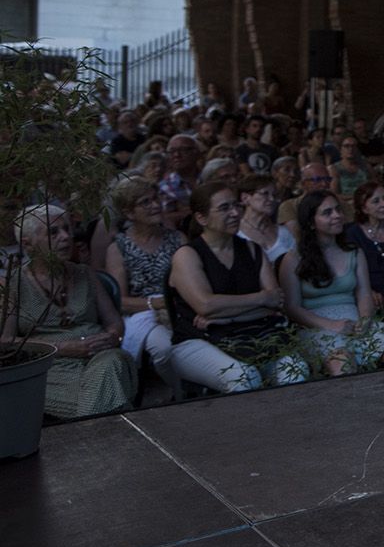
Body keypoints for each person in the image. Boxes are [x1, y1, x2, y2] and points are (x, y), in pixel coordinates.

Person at [164, 182, 309, 392]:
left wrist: (227, 316)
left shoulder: (252, 250)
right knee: (243, 377)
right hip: (197, 341)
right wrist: (260, 298)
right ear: (201, 218)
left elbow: (276, 302)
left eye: (236, 206)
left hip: (254, 334)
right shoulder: (188, 255)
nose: (234, 213)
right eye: (224, 208)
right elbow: (205, 305)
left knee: (295, 370)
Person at [4, 204, 137, 418]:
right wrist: (61, 348)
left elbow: (114, 322)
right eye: (53, 232)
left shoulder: (85, 273)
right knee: (110, 397)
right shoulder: (14, 284)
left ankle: (89, 429)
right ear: (27, 244)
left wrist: (112, 336)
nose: (66, 237)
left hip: (100, 358)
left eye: (67, 229)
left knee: (112, 363)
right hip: (49, 370)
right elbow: (6, 340)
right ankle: (99, 428)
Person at [279, 191, 384, 376]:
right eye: (327, 213)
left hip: (355, 320)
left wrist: (365, 321)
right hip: (316, 326)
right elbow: (292, 308)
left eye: (337, 210)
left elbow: (364, 293)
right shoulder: (293, 258)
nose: (337, 216)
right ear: (311, 222)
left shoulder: (353, 251)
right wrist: (331, 325)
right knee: (342, 363)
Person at [104, 176, 184, 400]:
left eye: (155, 198)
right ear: (129, 213)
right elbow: (119, 300)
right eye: (145, 202)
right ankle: (179, 393)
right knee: (164, 349)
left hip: (181, 305)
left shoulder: (177, 238)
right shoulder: (118, 247)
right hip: (141, 312)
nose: (156, 205)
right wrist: (155, 303)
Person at [348, 182, 384, 307]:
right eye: (376, 201)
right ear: (364, 208)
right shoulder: (353, 234)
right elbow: (349, 272)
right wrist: (368, 292)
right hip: (370, 298)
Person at [236, 174, 295, 264]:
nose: (271, 199)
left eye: (274, 195)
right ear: (245, 198)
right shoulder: (235, 233)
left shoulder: (284, 233)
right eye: (265, 194)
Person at [332, 135, 370, 203]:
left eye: (353, 146)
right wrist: (355, 197)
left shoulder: (366, 167)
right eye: (346, 146)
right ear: (340, 149)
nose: (350, 149)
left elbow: (375, 188)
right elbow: (334, 194)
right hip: (345, 204)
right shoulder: (334, 169)